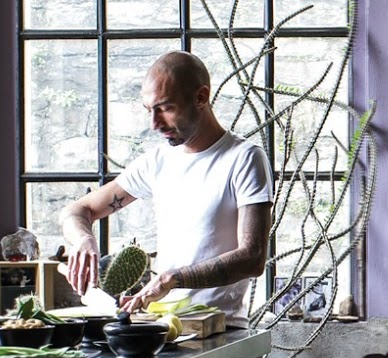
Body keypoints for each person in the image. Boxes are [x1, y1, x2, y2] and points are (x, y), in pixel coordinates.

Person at [61, 51, 272, 323]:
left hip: (221, 330)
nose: (154, 124)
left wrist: (171, 279)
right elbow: (77, 210)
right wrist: (84, 239)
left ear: (201, 97)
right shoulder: (157, 162)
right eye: (149, 110)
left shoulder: (244, 158)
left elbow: (253, 258)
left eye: (165, 108)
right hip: (161, 327)